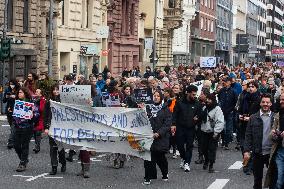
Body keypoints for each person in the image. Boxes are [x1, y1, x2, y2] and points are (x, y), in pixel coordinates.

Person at [243, 94, 275, 189]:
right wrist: (246, 151)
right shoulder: (253, 117)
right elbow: (248, 135)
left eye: (267, 102)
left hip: (272, 153)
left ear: (271, 104)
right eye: (263, 102)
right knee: (257, 180)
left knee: (273, 179)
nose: (265, 104)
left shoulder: (275, 117)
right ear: (260, 103)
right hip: (258, 152)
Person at [143, 90, 172, 185]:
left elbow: (167, 124)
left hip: (160, 138)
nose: (155, 97)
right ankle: (148, 177)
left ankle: (165, 173)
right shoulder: (148, 108)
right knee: (148, 157)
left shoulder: (165, 109)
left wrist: (159, 133)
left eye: (157, 96)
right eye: (154, 96)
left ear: (161, 98)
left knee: (160, 158)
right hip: (149, 137)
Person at [172, 85, 201, 172]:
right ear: (187, 93)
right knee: (180, 146)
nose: (194, 96)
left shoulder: (197, 103)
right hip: (180, 127)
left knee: (189, 146)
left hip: (191, 128)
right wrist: (173, 124)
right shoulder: (179, 102)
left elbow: (200, 114)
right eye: (192, 94)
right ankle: (183, 158)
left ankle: (187, 163)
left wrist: (197, 118)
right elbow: (174, 114)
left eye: (195, 95)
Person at [13, 87, 40, 172]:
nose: (19, 94)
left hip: (27, 127)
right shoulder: (17, 102)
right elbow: (14, 114)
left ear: (25, 93)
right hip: (17, 126)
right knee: (16, 145)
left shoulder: (31, 102)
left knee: (25, 145)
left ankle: (22, 163)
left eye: (21, 92)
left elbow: (37, 114)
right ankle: (24, 159)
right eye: (18, 93)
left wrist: (33, 115)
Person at [44, 85, 67, 175]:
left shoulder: (64, 101)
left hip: (62, 127)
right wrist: (46, 127)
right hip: (52, 127)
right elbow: (45, 115)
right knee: (53, 148)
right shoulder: (48, 102)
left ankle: (63, 162)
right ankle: (54, 167)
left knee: (60, 147)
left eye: (57, 90)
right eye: (53, 90)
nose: (55, 91)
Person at [200, 93, 224, 173]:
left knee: (212, 149)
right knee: (204, 148)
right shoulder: (204, 108)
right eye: (207, 99)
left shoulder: (217, 109)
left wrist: (216, 132)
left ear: (213, 100)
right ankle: (206, 160)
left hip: (213, 132)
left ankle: (211, 165)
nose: (208, 101)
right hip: (204, 131)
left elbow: (220, 121)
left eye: (210, 99)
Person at [264, 93, 284, 189]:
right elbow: (271, 132)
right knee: (279, 180)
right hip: (280, 150)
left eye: (283, 100)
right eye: (280, 100)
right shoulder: (278, 114)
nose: (281, 102)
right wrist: (273, 133)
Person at [219, 77, 238, 150]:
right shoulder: (221, 90)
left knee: (229, 128)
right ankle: (223, 141)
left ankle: (226, 143)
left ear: (229, 82)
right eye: (224, 81)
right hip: (222, 112)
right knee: (222, 128)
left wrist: (233, 110)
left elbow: (235, 102)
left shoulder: (233, 91)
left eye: (226, 81)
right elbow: (219, 99)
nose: (224, 83)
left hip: (230, 112)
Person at [3, 79, 20, 149]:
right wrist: (6, 97)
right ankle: (16, 137)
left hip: (17, 110)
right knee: (12, 126)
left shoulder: (19, 90)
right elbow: (4, 101)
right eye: (10, 84)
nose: (11, 85)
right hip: (9, 110)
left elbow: (22, 99)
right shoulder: (7, 90)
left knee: (13, 125)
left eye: (12, 84)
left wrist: (15, 97)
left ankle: (10, 141)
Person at [32, 88, 46, 153]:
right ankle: (37, 145)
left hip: (40, 119)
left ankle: (37, 147)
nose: (36, 92)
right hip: (34, 118)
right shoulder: (34, 99)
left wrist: (35, 107)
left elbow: (42, 109)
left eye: (37, 91)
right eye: (36, 91)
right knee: (35, 132)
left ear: (41, 94)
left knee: (38, 132)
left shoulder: (42, 100)